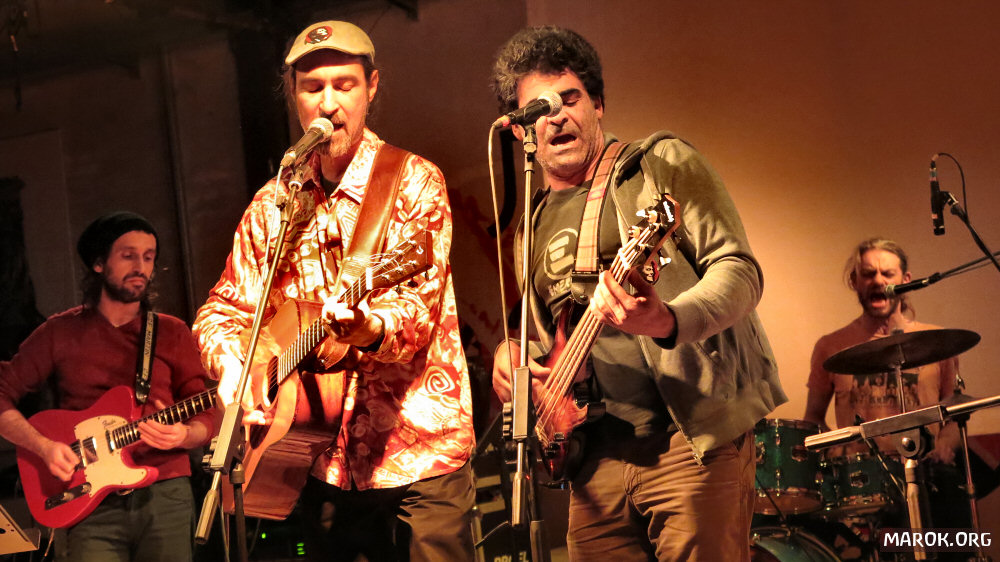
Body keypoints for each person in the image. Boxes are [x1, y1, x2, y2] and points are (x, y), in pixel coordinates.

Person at [489, 26, 786, 561]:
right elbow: (550, 342)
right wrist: (514, 357)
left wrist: (669, 319)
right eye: (539, 109)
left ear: (598, 104)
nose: (556, 117)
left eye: (570, 99)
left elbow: (740, 271)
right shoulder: (528, 227)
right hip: (593, 463)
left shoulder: (657, 164)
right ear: (519, 131)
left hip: (686, 444)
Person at [192, 20, 475, 562]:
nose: (328, 103)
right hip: (315, 461)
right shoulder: (273, 204)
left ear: (372, 87)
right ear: (293, 95)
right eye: (312, 88)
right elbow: (223, 308)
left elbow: (416, 309)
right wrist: (233, 366)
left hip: (419, 454)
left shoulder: (413, 180)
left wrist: (368, 328)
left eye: (344, 85)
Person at [0, 211, 217, 562]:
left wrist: (185, 435)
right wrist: (43, 447)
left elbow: (208, 413)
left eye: (148, 257)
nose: (141, 267)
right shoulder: (59, 332)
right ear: (99, 263)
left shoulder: (173, 332)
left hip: (165, 495)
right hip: (85, 498)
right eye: (128, 255)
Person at [804, 238, 959, 461]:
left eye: (887, 273)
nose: (878, 280)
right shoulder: (830, 346)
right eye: (868, 274)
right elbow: (813, 418)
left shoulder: (938, 342)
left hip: (926, 467)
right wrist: (834, 450)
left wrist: (944, 446)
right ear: (854, 280)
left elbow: (954, 418)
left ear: (906, 280)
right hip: (861, 475)